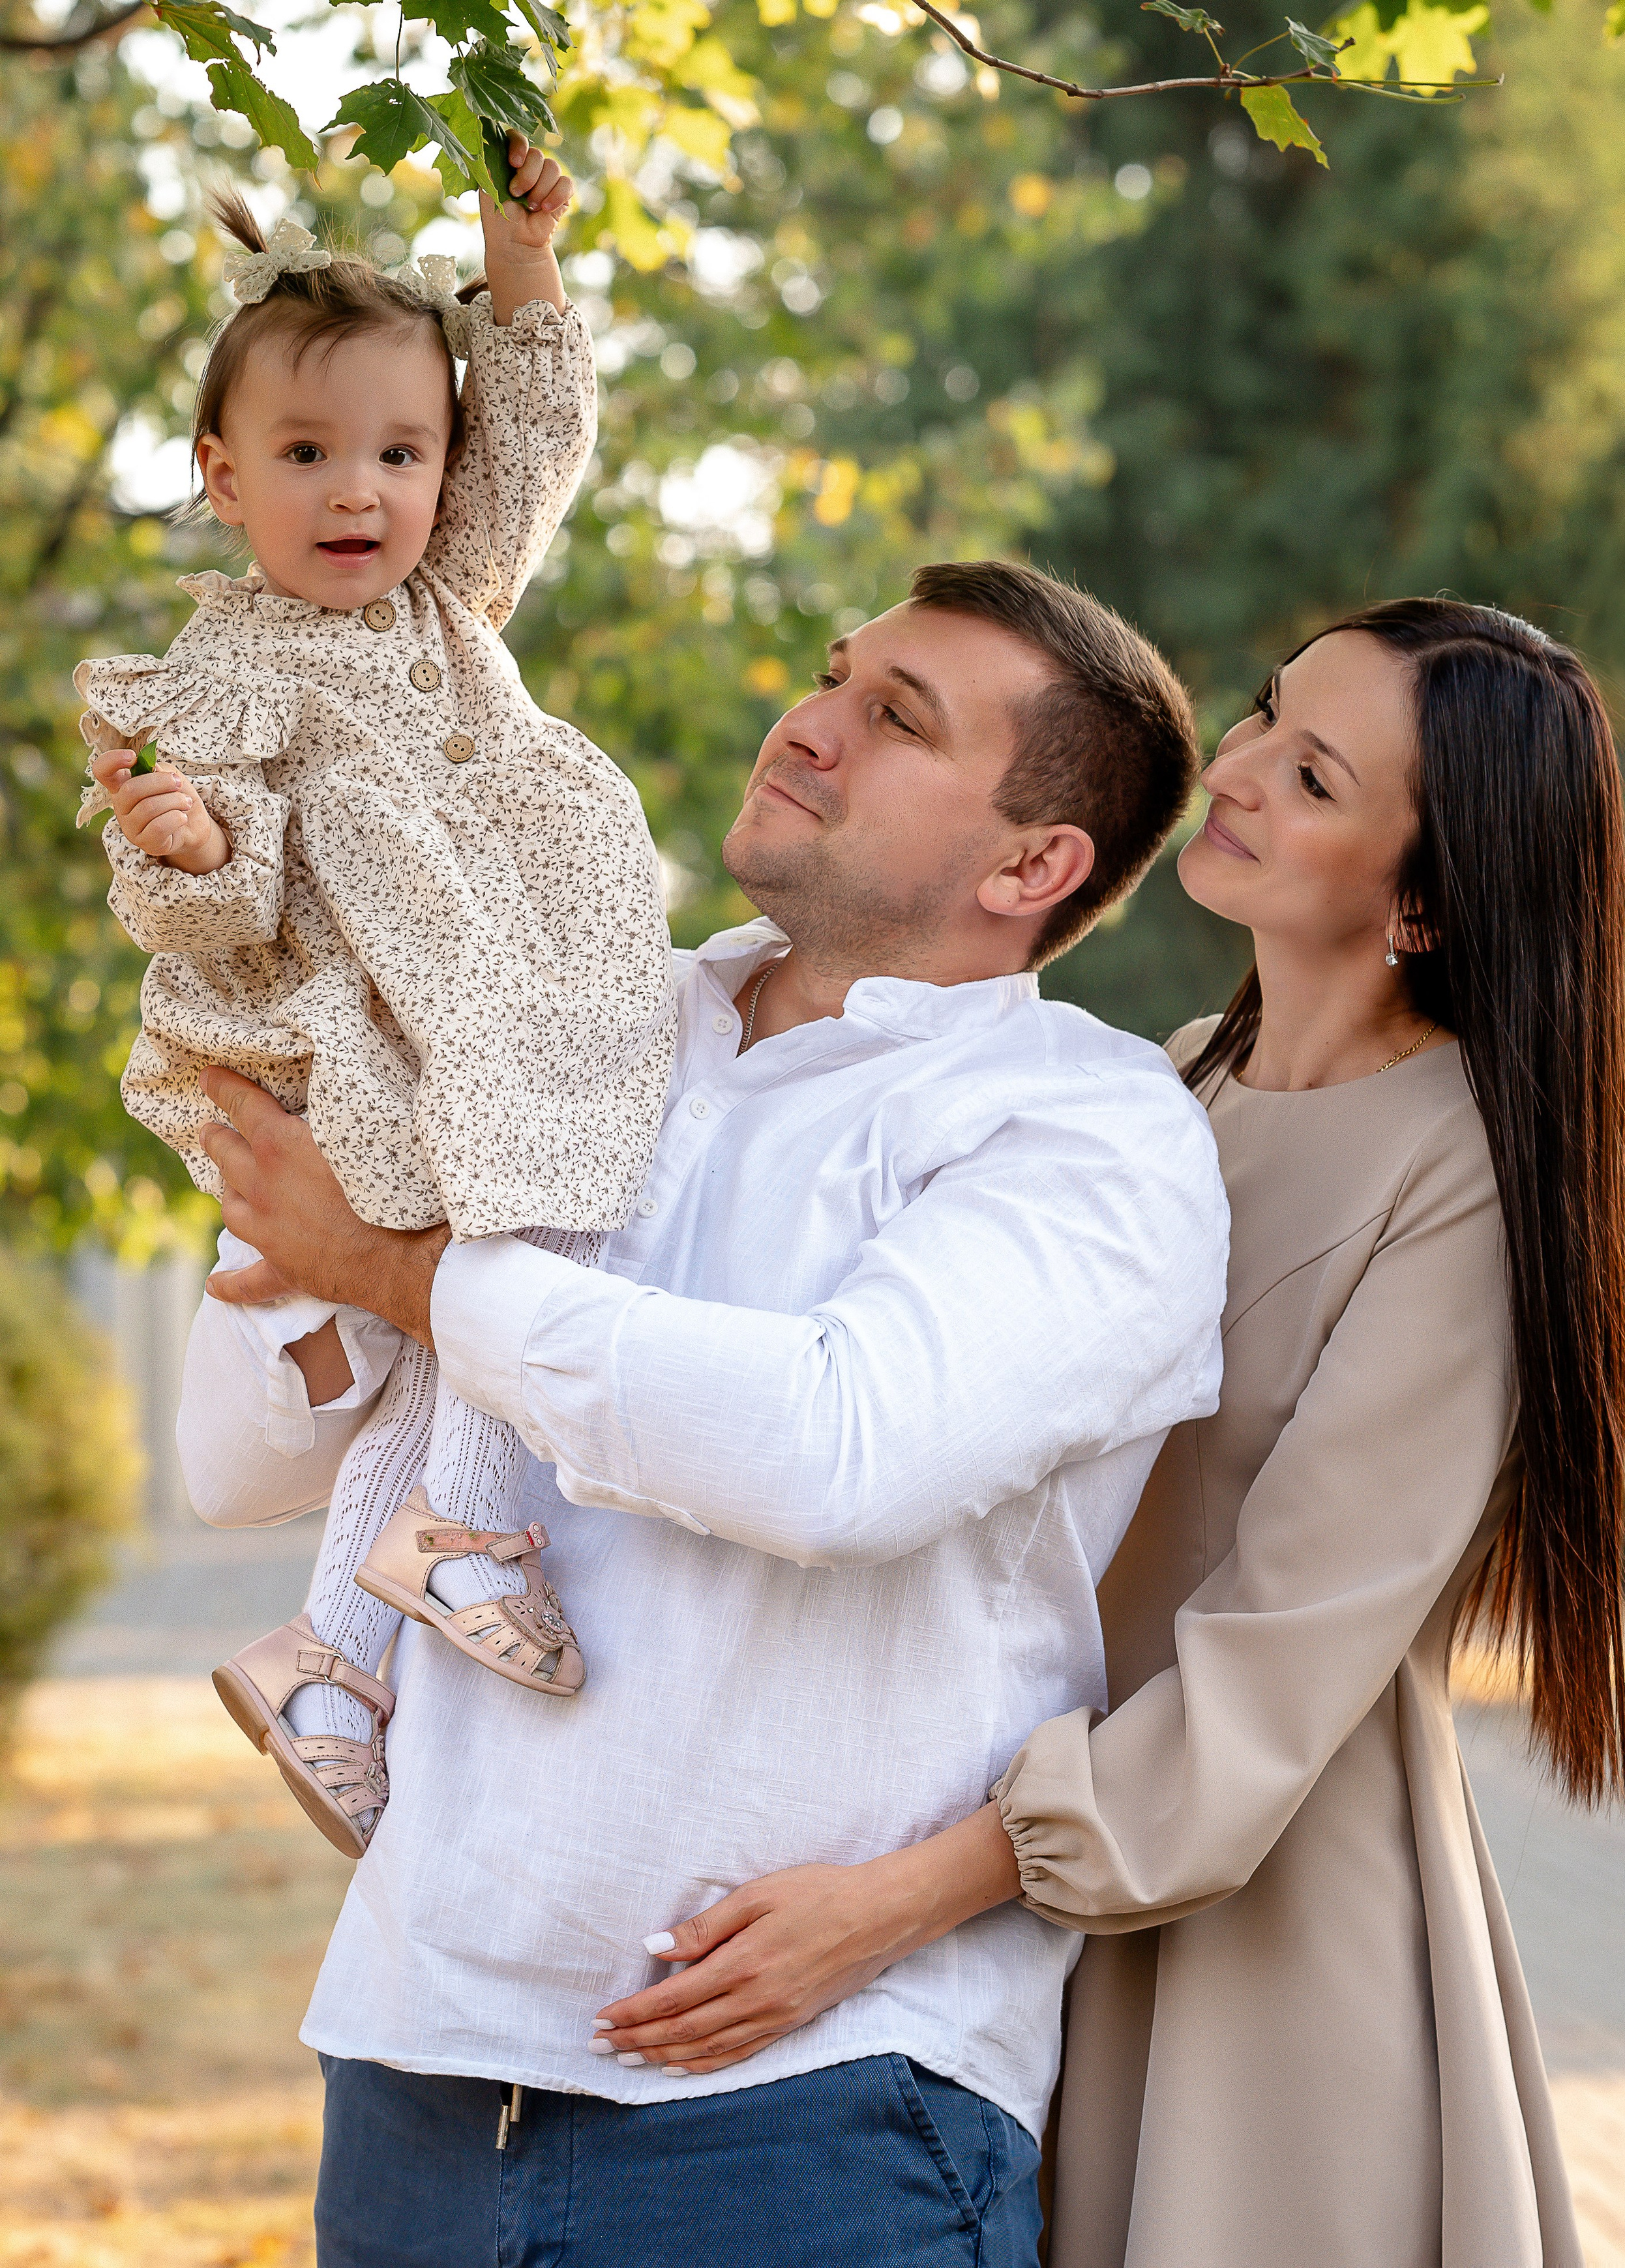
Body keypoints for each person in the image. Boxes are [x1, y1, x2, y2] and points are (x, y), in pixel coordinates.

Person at [175, 559, 1230, 2267]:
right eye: (833, 675)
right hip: (415, 2068)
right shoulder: (568, 1027)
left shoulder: (1086, 1132)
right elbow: (238, 1463)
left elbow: (831, 1453)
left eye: (897, 719)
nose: (808, 724)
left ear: (1033, 866)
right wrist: (321, 1183)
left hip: (813, 2114)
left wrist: (408, 1272)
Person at [588, 598, 1625, 2268]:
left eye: (1308, 775)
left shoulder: (1454, 1178)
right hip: (1026, 1900)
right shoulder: (1163, 1089)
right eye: (1260, 716)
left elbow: (1276, 1662)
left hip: (1259, 1915)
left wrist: (890, 1903)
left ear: (1423, 896)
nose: (1227, 774)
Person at [74, 146, 676, 1857]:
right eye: (312, 455)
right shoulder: (233, 667)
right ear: (223, 472)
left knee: (453, 1329)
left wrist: (521, 261)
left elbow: (539, 441)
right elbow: (216, 900)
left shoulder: (446, 598)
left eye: (404, 455)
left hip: (497, 1012)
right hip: (372, 1033)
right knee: (499, 1286)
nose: (363, 493)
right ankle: (446, 1556)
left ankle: (334, 1671)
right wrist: (187, 836)